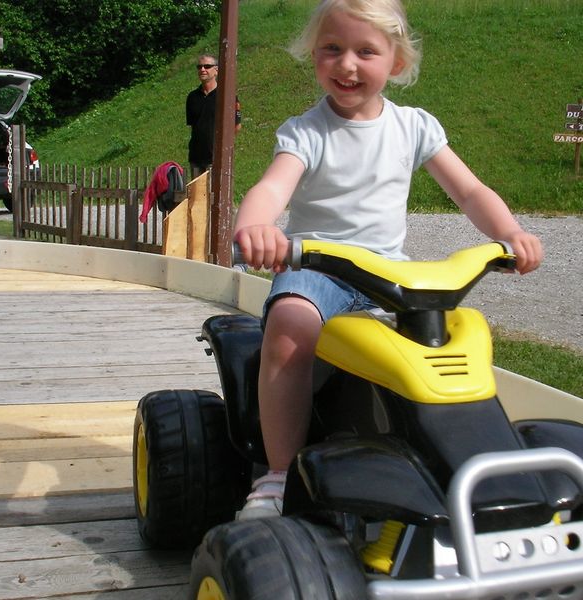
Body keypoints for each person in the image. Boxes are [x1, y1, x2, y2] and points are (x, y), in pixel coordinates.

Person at [232, 0, 544, 520]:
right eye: (331, 49)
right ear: (314, 56)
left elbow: (469, 191)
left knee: (448, 341)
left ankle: (443, 460)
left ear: (396, 62)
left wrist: (509, 232)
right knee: (288, 326)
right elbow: (272, 186)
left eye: (365, 51)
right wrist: (256, 226)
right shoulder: (306, 132)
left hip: (387, 273)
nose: (347, 64)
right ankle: (280, 473)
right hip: (317, 266)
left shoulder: (415, 127)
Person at [185, 53, 242, 177]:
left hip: (217, 159)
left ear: (216, 70)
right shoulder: (192, 97)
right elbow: (193, 126)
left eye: (207, 66)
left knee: (215, 195)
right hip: (196, 158)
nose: (202, 69)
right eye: (199, 67)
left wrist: (222, 149)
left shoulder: (227, 95)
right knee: (197, 196)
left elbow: (236, 126)